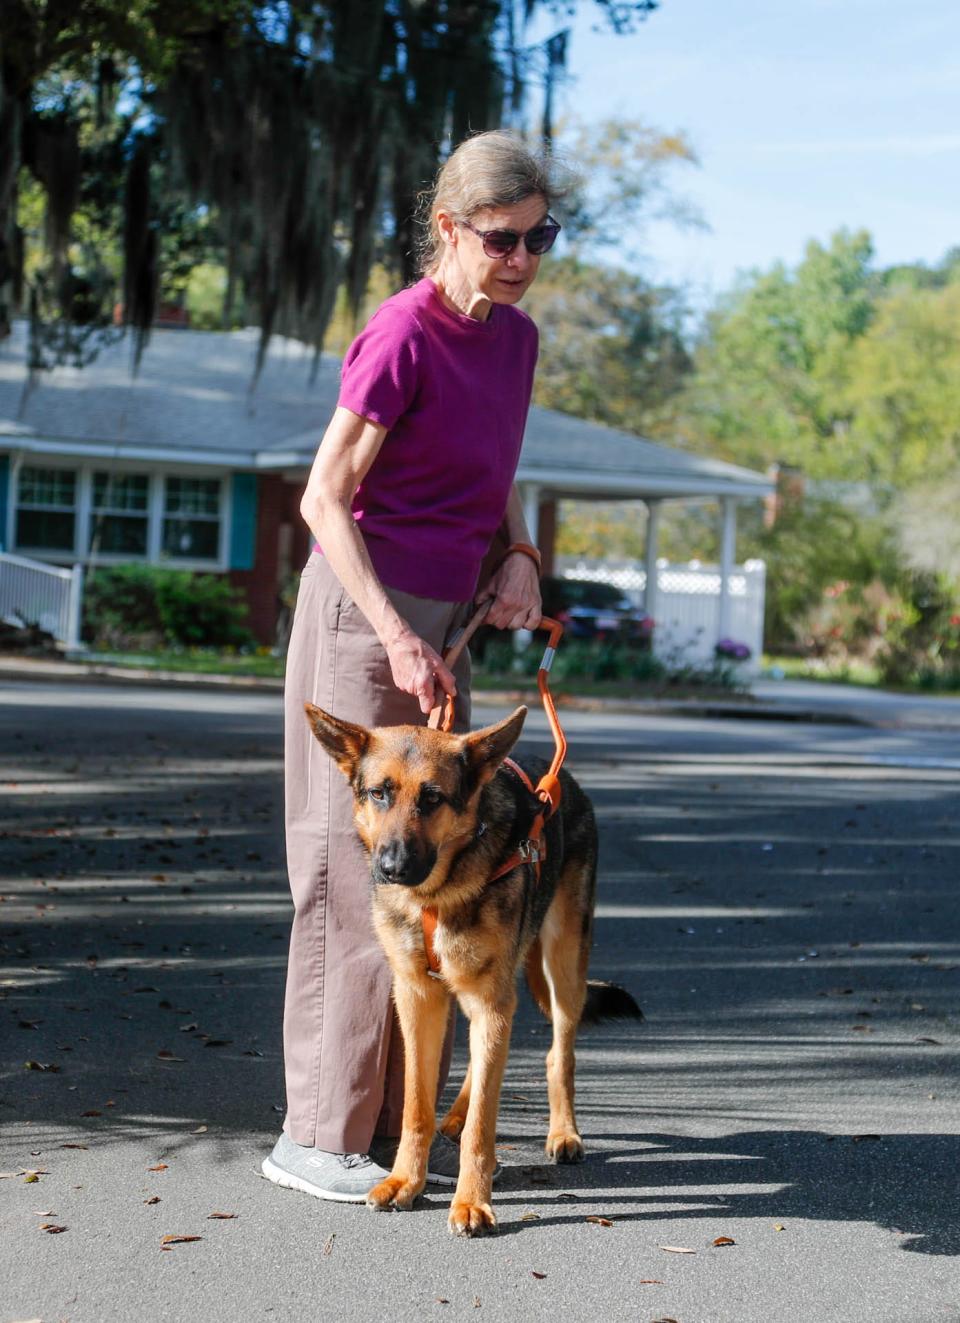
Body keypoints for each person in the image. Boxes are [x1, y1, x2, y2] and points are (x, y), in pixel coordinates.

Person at [262, 129, 566, 1202]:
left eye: (541, 238)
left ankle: (406, 1133)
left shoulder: (514, 341)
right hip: (363, 613)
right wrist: (392, 633)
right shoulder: (401, 333)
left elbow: (494, 479)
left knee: (439, 867)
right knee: (353, 876)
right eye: (503, 239)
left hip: (453, 620)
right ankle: (318, 1134)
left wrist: (521, 555)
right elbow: (321, 498)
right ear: (450, 229)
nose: (523, 259)